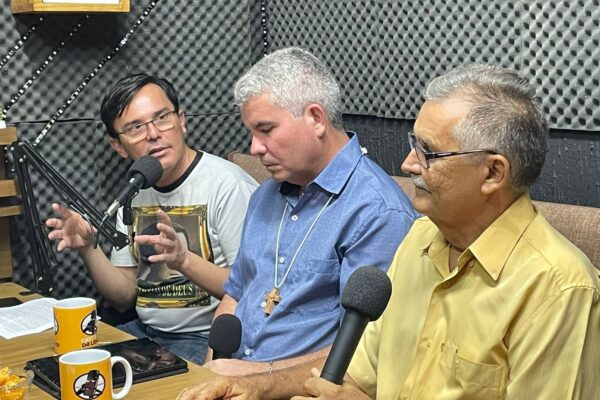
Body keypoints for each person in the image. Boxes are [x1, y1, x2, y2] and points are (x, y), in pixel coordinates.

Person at [178, 65, 600, 399]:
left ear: (492, 173)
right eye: (413, 144)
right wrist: (254, 386)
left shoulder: (559, 290)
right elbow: (363, 377)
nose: (408, 165)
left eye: (428, 152)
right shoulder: (419, 241)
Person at [202, 47, 418, 376]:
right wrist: (210, 372)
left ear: (316, 118)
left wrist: (257, 379)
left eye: (266, 129)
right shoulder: (265, 195)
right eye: (252, 132)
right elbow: (236, 293)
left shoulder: (377, 211)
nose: (254, 147)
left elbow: (366, 349)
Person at [46, 74, 258, 365]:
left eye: (162, 118)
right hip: (145, 334)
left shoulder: (228, 186)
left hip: (204, 340)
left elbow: (250, 289)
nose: (153, 134)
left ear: (181, 121)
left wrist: (183, 259)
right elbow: (124, 296)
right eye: (135, 127)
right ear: (118, 146)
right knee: (67, 367)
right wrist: (88, 247)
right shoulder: (133, 191)